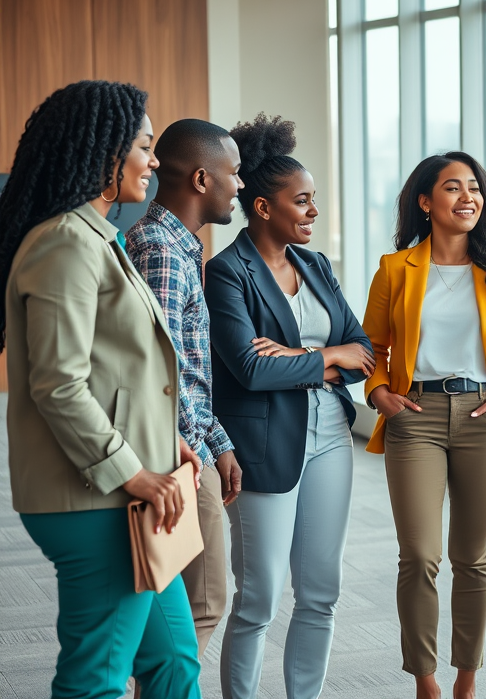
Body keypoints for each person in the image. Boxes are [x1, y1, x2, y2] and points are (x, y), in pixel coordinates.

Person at [0, 80, 202, 698]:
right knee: (98, 682)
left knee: (173, 662)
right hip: (96, 498)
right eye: (145, 146)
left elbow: (125, 369)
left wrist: (169, 445)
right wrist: (134, 472)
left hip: (131, 495)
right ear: (107, 156)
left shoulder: (98, 238)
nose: (155, 161)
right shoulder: (64, 243)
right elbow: (59, 385)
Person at [204, 113, 374, 699]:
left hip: (330, 439)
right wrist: (331, 357)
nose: (313, 213)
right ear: (262, 207)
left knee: (321, 590)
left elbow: (365, 349)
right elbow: (250, 370)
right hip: (263, 444)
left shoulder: (317, 265)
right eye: (301, 202)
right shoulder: (227, 273)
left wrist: (303, 353)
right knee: (258, 596)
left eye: (314, 200)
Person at [361, 152, 486, 699]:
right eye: (452, 188)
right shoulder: (397, 269)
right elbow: (373, 346)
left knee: (472, 555)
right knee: (418, 555)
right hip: (414, 417)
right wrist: (379, 395)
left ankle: (466, 677)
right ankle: (425, 678)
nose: (468, 197)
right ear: (425, 201)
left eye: (475, 188)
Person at [126, 118, 245, 657]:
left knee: (186, 607)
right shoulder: (163, 252)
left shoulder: (176, 245)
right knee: (200, 605)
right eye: (233, 173)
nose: (239, 185)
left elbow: (187, 372)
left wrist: (218, 442)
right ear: (202, 179)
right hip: (174, 458)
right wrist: (194, 453)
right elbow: (159, 375)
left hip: (191, 450)